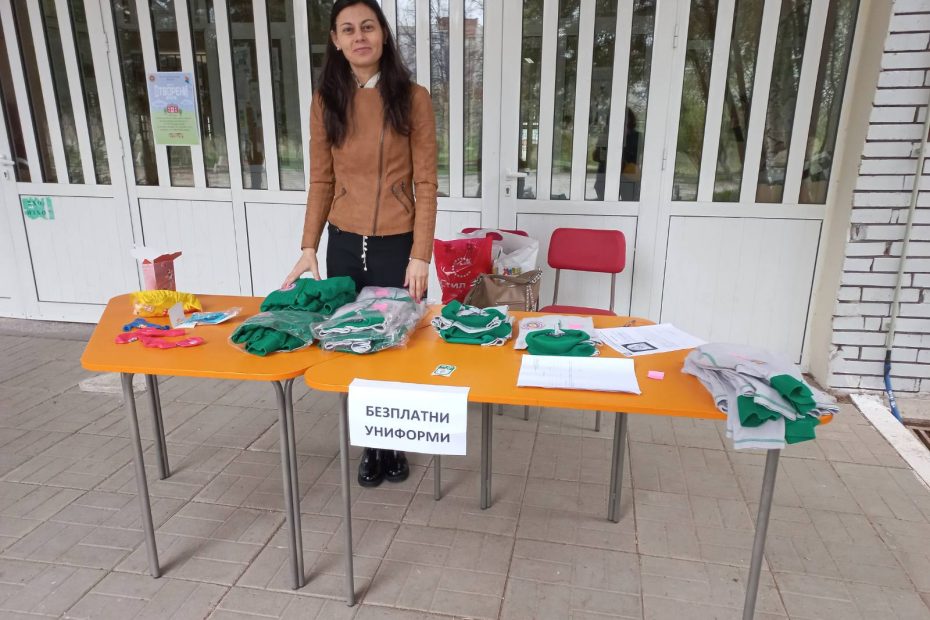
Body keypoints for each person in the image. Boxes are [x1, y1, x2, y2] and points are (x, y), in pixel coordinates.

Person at [283, 0, 438, 489]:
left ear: (383, 34)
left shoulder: (412, 98)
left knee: (395, 342)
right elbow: (321, 181)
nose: (359, 37)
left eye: (367, 27)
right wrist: (309, 244)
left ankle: (395, 442)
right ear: (336, 41)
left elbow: (426, 182)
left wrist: (421, 254)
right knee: (354, 341)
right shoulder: (326, 100)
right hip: (345, 243)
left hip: (398, 243)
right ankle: (371, 446)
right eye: (348, 30)